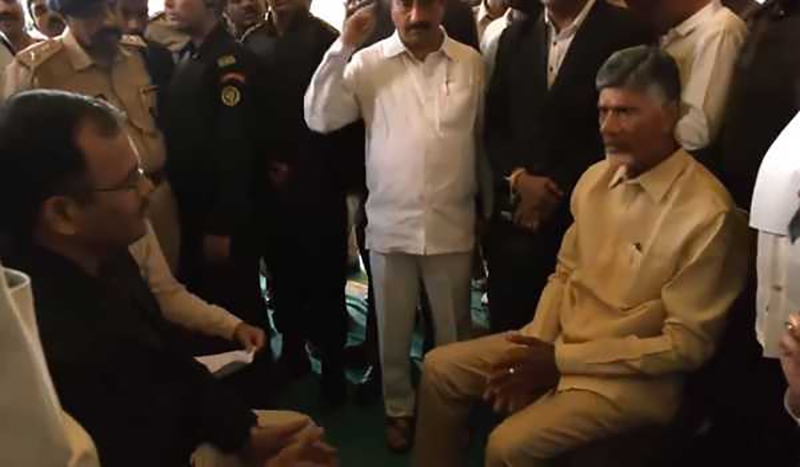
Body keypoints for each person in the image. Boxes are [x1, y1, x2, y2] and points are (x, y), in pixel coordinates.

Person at [413, 45, 749, 467]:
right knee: (440, 369)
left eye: (625, 112)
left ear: (671, 115)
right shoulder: (595, 179)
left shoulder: (708, 214)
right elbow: (564, 274)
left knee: (505, 447)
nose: (608, 127)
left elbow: (685, 346)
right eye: (603, 111)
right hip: (559, 343)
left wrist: (558, 361)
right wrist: (536, 345)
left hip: (631, 383)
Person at [0, 90, 338, 467]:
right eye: (129, 182)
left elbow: (170, 364)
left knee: (303, 432)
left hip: (177, 430)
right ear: (62, 214)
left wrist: (243, 434)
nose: (148, 190)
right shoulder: (50, 345)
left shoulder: (102, 253)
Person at [305, 0, 488, 451]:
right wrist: (344, 45)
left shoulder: (470, 62)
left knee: (454, 330)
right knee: (392, 331)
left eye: (425, 3)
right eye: (405, 3)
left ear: (441, 5)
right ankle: (398, 411)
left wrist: (486, 210)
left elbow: (480, 138)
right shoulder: (368, 62)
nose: (415, 14)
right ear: (392, 8)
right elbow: (320, 116)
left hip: (452, 221)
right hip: (391, 220)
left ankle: (454, 411)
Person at [482, 0, 650, 334]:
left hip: (588, 218)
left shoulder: (628, 32)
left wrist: (552, 191)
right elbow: (495, 124)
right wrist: (519, 178)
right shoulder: (515, 34)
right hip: (516, 218)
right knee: (507, 335)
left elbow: (627, 128)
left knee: (571, 336)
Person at [4, 0, 182, 272]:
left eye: (113, 6)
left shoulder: (142, 55)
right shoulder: (36, 71)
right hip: (99, 218)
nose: (109, 20)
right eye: (93, 12)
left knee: (172, 285)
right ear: (65, 14)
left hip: (157, 198)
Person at [241, 0, 359, 405]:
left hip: (318, 184)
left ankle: (332, 370)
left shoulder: (328, 41)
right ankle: (293, 353)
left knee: (326, 282)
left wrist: (299, 167)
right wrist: (268, 165)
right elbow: (250, 116)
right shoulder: (251, 41)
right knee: (282, 276)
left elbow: (340, 119)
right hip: (270, 187)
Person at [162, 0, 273, 341]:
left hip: (221, 215)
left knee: (236, 302)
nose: (168, 3)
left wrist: (222, 225)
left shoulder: (231, 61)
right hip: (190, 207)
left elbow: (234, 150)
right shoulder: (190, 54)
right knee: (205, 299)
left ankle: (256, 369)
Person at [626, 0, 747, 156]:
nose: (642, 12)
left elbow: (697, 132)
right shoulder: (674, 30)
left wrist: (637, 133)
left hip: (681, 162)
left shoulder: (719, 30)